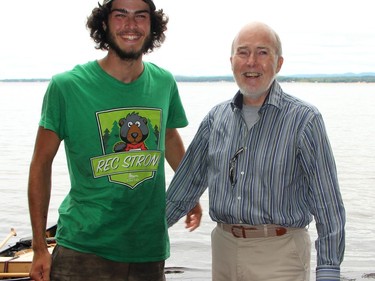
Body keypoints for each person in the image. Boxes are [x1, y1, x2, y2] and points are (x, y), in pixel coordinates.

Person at [28, 0, 201, 280]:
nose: (131, 25)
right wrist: (39, 247)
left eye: (140, 16)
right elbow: (40, 164)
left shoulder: (164, 83)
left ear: (152, 25)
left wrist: (189, 192)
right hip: (84, 250)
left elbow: (168, 136)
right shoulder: (67, 86)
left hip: (148, 248)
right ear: (104, 23)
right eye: (121, 15)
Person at [166, 21, 345, 281]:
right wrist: (149, 233)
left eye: (262, 52)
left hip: (280, 255)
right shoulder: (216, 118)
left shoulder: (304, 120)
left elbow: (328, 204)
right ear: (232, 61)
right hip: (223, 250)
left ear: (279, 63)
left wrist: (328, 270)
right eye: (243, 52)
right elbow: (185, 186)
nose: (251, 62)